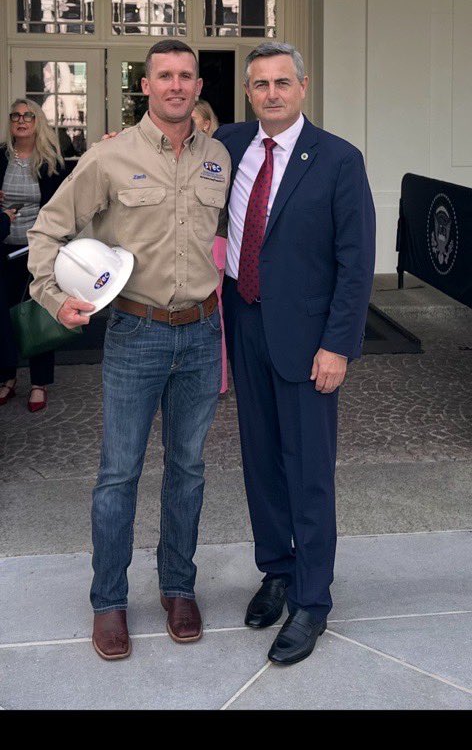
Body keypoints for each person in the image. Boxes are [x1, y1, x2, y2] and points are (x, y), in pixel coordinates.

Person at [27, 39, 231, 660]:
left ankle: (178, 588)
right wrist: (51, 295)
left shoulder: (219, 157)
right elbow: (48, 231)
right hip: (135, 335)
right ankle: (108, 601)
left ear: (199, 86)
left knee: (189, 469)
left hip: (202, 332)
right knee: (119, 474)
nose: (176, 85)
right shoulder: (108, 159)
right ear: (145, 86)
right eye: (164, 76)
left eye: (186, 76)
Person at [215, 41, 376, 667]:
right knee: (260, 461)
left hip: (309, 342)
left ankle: (312, 599)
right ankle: (276, 571)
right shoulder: (227, 148)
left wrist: (339, 344)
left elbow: (355, 263)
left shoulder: (337, 159)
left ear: (303, 88)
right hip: (243, 323)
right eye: (260, 85)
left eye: (283, 82)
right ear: (249, 92)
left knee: (307, 468)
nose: (272, 93)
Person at [0, 98, 71, 412]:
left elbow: (61, 208)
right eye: (15, 115)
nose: (21, 120)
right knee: (5, 316)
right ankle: (8, 376)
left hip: (38, 251)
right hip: (3, 250)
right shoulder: (0, 156)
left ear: (38, 121)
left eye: (28, 115)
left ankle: (39, 382)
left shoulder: (50, 161)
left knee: (39, 314)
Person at [192, 99, 228, 395]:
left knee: (215, 314)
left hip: (215, 242)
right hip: (194, 244)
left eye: (193, 119)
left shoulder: (218, 157)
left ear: (206, 123)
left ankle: (218, 380)